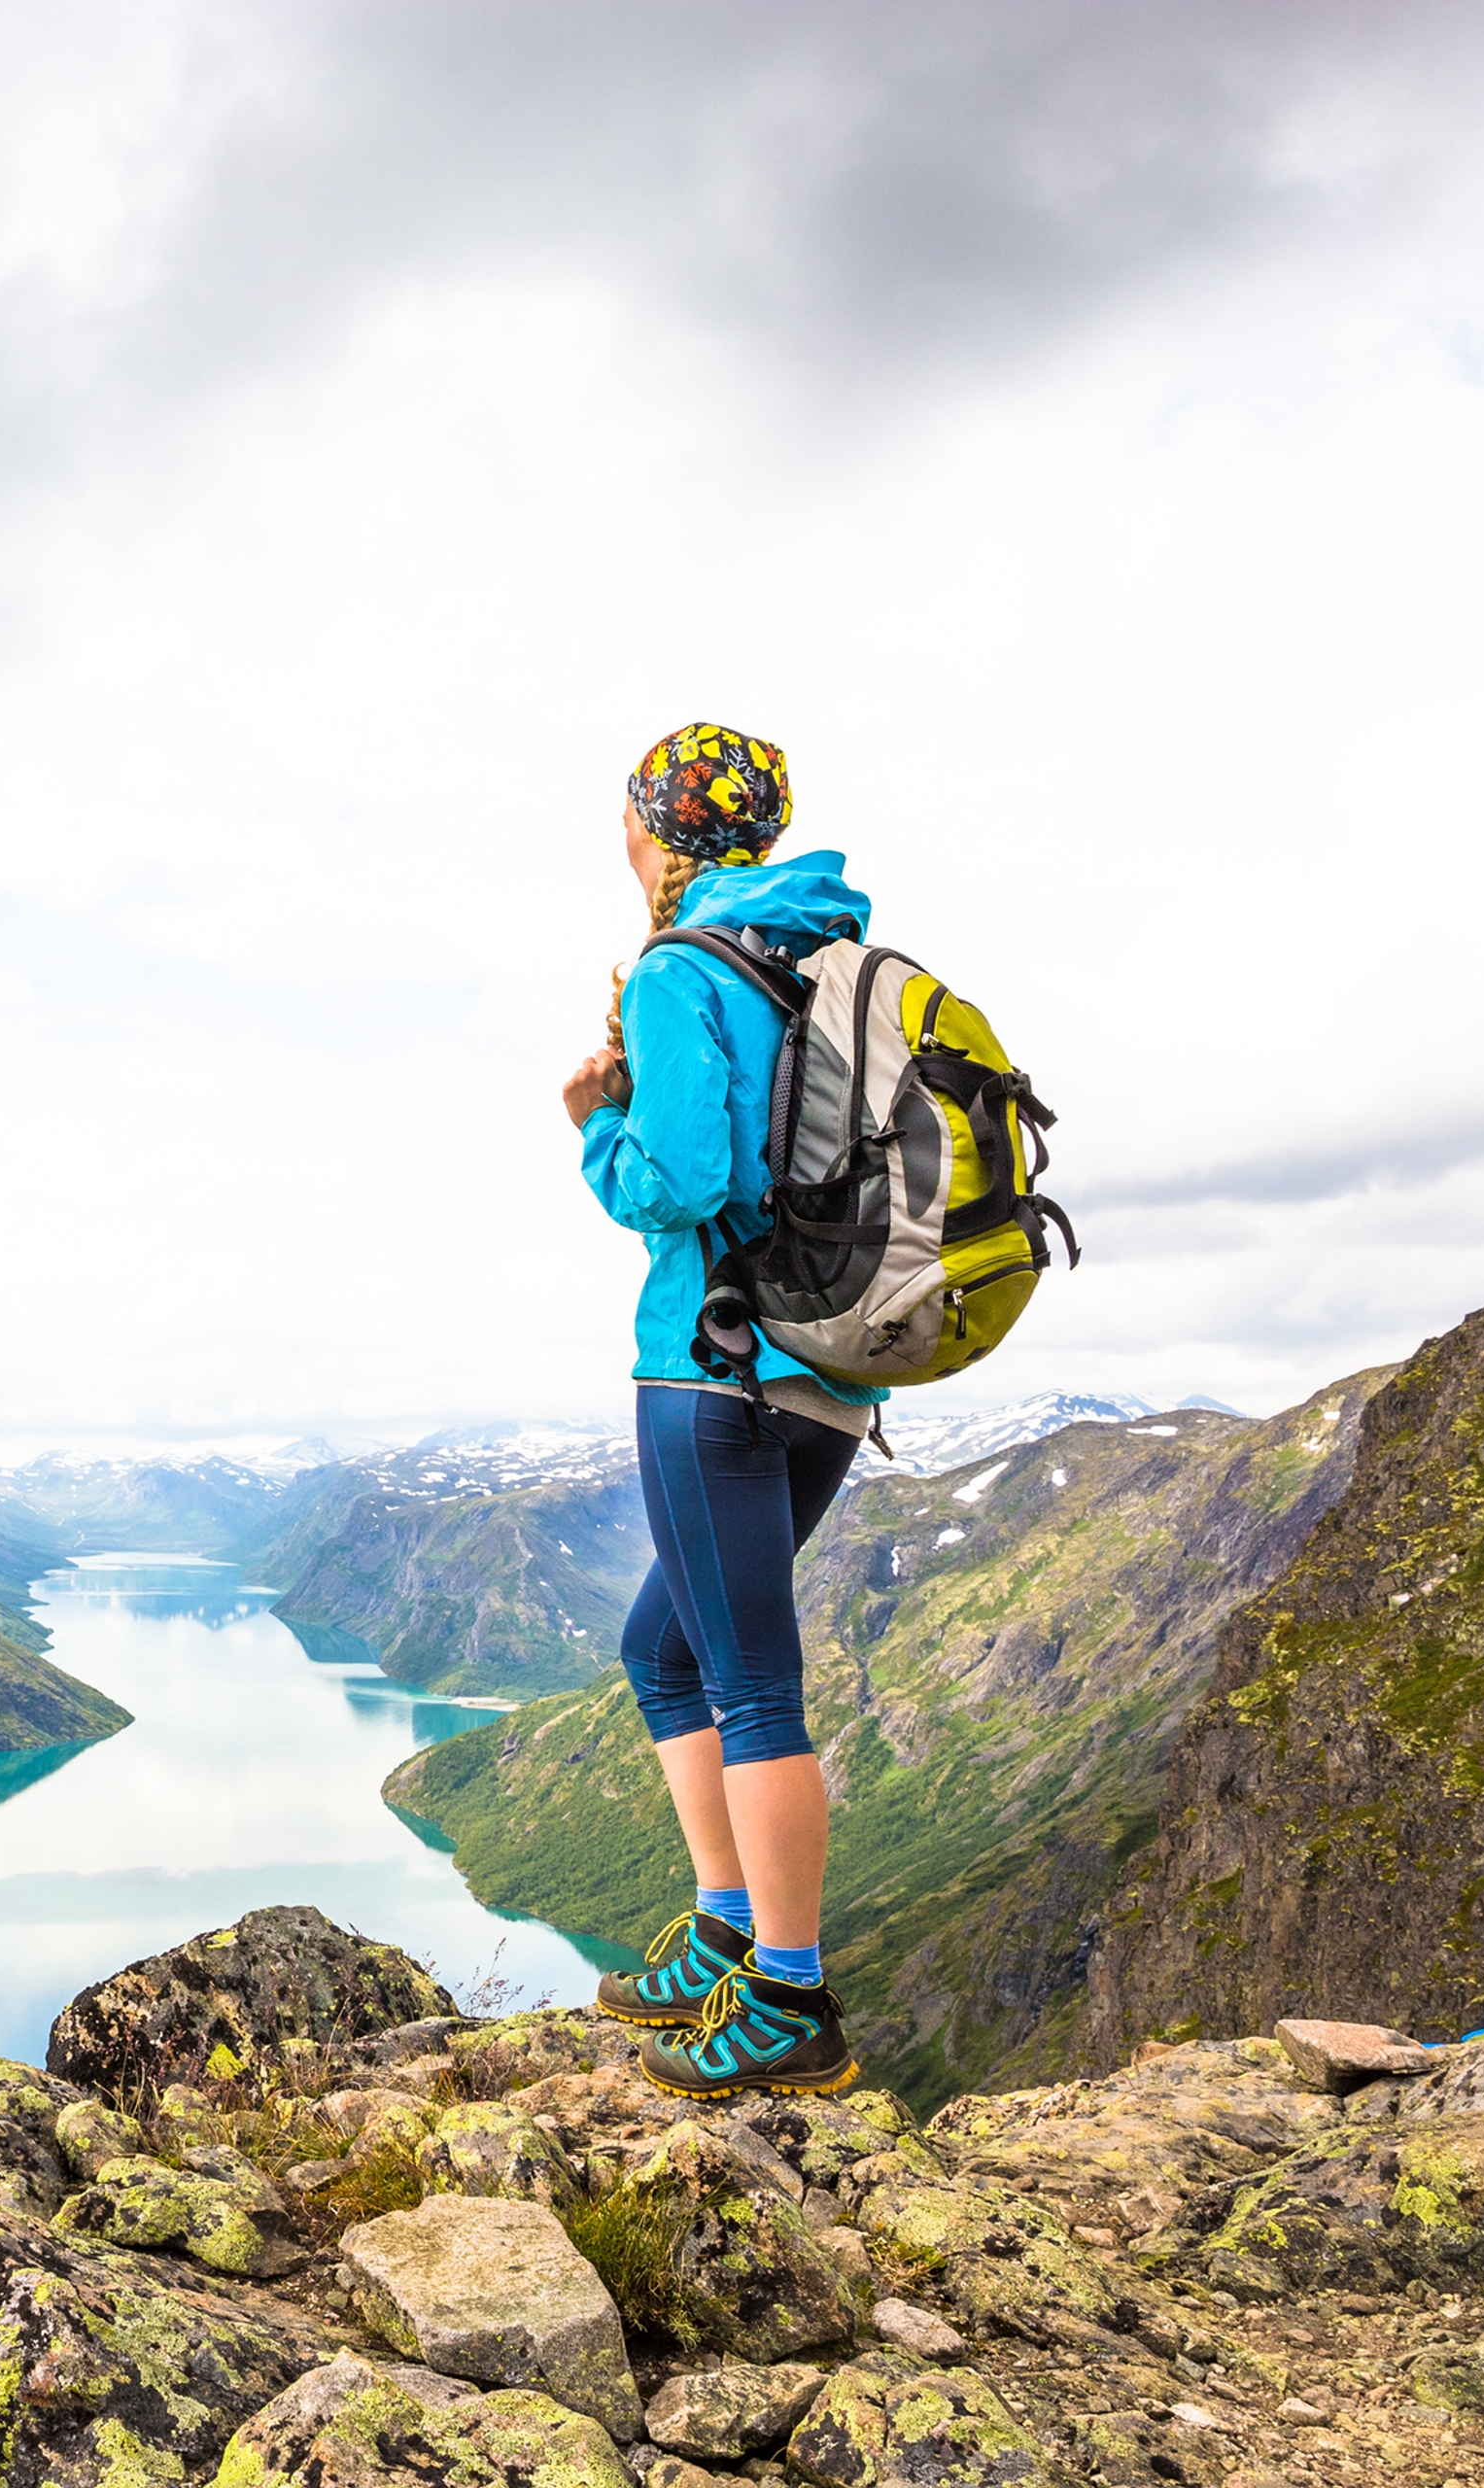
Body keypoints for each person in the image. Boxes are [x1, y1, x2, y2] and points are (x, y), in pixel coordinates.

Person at [558, 721, 880, 2099]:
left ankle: (790, 2000)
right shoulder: (823, 958)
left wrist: (591, 1122)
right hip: (828, 1372)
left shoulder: (688, 965)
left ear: (656, 833)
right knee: (663, 1647)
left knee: (749, 1683)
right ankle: (725, 1927)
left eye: (629, 819)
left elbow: (679, 1180)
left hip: (712, 1366)